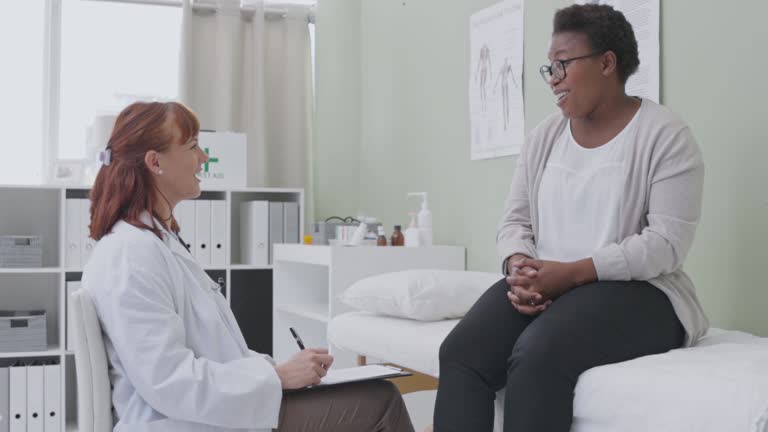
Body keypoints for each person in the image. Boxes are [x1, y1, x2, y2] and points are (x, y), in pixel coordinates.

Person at [433, 4, 708, 432]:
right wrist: (520, 266)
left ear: (606, 63)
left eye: (562, 63)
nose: (553, 78)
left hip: (641, 294)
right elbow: (515, 222)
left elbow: (666, 244)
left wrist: (573, 273)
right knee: (460, 353)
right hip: (551, 283)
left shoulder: (665, 135)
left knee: (536, 356)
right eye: (550, 67)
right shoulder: (544, 137)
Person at [81, 101, 414, 432]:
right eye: (193, 147)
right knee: (380, 401)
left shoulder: (155, 244)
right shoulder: (131, 255)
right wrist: (277, 377)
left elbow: (216, 354)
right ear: (155, 162)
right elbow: (169, 382)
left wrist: (281, 370)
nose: (203, 158)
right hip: (186, 423)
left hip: (215, 412)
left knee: (373, 395)